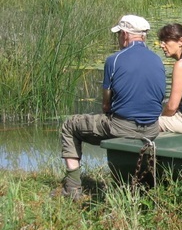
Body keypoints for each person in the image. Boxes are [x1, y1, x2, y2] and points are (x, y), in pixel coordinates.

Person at [59, 15, 166, 201]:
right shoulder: (158, 60)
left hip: (122, 126)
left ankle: (72, 188)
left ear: (125, 34)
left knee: (70, 125)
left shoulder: (114, 60)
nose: (118, 39)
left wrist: (111, 111)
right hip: (153, 127)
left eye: (118, 35)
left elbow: (106, 103)